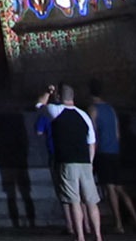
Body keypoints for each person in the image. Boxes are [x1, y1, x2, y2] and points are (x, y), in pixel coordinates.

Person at [39, 84, 100, 241]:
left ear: (59, 97)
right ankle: (98, 236)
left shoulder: (56, 110)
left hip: (67, 161)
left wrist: (48, 92)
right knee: (91, 201)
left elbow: (39, 105)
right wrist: (91, 162)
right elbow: (91, 142)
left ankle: (80, 236)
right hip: (85, 162)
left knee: (74, 201)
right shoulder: (84, 115)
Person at [87, 81, 136, 231]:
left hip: (103, 152)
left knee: (110, 188)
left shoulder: (93, 109)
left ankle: (118, 223)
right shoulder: (111, 109)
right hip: (114, 151)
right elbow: (117, 134)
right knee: (120, 188)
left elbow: (93, 133)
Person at [0, 87, 35, 229]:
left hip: (6, 159)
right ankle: (30, 222)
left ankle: (17, 224)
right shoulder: (16, 117)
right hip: (18, 158)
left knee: (11, 194)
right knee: (25, 193)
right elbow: (24, 139)